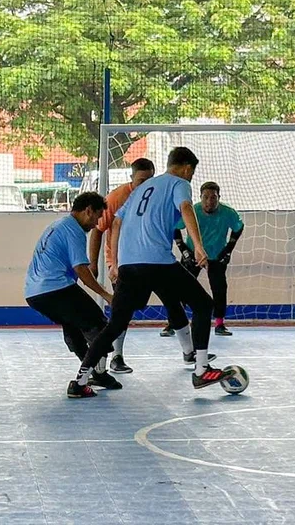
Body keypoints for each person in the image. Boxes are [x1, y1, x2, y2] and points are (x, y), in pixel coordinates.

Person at [66, 147, 229, 399]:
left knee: (116, 324)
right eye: (191, 172)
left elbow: (116, 222)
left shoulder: (141, 189)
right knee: (203, 304)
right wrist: (198, 245)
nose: (190, 176)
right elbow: (186, 208)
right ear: (187, 168)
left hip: (130, 265)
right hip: (157, 262)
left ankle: (80, 380)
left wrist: (116, 262)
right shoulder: (179, 183)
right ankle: (201, 369)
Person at [88, 158, 188, 373]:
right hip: (125, 264)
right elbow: (98, 229)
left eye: (150, 178)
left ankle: (189, 352)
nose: (146, 183)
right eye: (141, 180)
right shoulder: (117, 198)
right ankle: (116, 356)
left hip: (154, 261)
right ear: (131, 178)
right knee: (121, 312)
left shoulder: (159, 193)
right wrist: (98, 264)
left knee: (173, 302)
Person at [25, 192, 122, 397]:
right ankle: (87, 379)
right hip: (55, 288)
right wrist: (106, 295)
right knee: (98, 326)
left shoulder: (58, 225)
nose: (96, 224)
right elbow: (81, 270)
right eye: (97, 217)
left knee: (73, 326)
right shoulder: (74, 231)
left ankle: (95, 374)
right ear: (88, 211)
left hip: (34, 293)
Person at [167, 181, 244, 337]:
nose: (209, 201)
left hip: (216, 255)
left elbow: (239, 227)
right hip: (193, 254)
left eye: (213, 197)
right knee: (180, 288)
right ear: (200, 197)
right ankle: (173, 324)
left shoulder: (228, 212)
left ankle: (220, 324)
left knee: (219, 289)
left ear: (218, 197)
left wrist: (228, 250)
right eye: (206, 197)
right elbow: (175, 227)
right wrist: (184, 250)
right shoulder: (192, 211)